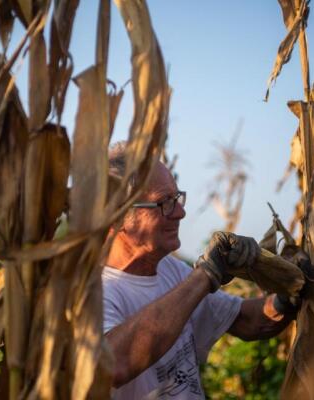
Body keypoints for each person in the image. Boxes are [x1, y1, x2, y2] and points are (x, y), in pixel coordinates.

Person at [103, 142, 299, 399]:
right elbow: (112, 364)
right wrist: (206, 275)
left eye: (177, 198)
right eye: (164, 203)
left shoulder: (171, 271)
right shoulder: (91, 293)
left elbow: (248, 321)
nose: (181, 212)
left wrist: (288, 294)